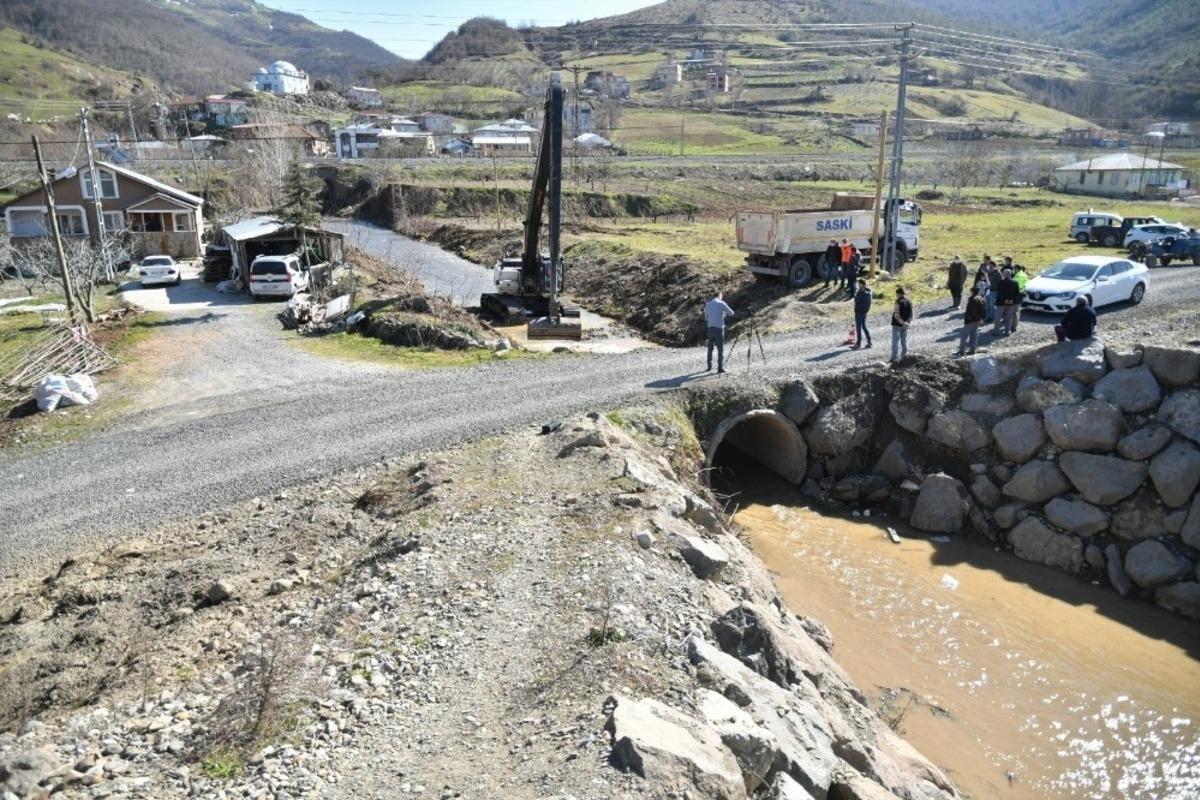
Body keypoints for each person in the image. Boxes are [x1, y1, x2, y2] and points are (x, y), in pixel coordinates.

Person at [704, 292, 735, 373]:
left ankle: (709, 366)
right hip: (719, 329)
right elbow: (732, 313)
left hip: (710, 329)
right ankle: (720, 368)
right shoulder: (721, 303)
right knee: (720, 349)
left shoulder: (708, 304)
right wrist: (723, 314)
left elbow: (706, 318)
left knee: (710, 348)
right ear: (719, 296)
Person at [956, 285, 987, 356]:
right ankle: (972, 350)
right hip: (978, 321)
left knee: (964, 335)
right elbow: (984, 310)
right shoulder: (982, 299)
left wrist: (977, 318)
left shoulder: (973, 299)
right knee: (974, 335)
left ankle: (961, 351)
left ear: (972, 291)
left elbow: (973, 311)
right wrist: (982, 319)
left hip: (971, 320)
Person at [994, 268, 1021, 336]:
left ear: (1004, 274)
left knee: (998, 318)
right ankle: (1007, 331)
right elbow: (1017, 293)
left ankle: (996, 331)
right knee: (1008, 318)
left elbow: (1000, 293)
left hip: (1001, 303)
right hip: (1011, 304)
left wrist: (1005, 300)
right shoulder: (1015, 283)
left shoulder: (1001, 282)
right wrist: (1012, 300)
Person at [890, 287, 912, 362]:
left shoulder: (898, 302)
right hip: (905, 325)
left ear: (898, 294)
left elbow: (896, 315)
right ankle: (904, 356)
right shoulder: (909, 301)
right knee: (904, 341)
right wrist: (907, 323)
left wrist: (902, 322)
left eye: (896, 294)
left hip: (897, 325)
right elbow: (911, 315)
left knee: (895, 342)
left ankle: (894, 358)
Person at [852, 278, 873, 349]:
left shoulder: (861, 292)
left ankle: (858, 344)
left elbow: (856, 300)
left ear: (861, 284)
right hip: (864, 312)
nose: (858, 285)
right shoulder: (869, 292)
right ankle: (869, 342)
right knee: (864, 327)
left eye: (859, 284)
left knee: (858, 328)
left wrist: (856, 293)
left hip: (859, 312)